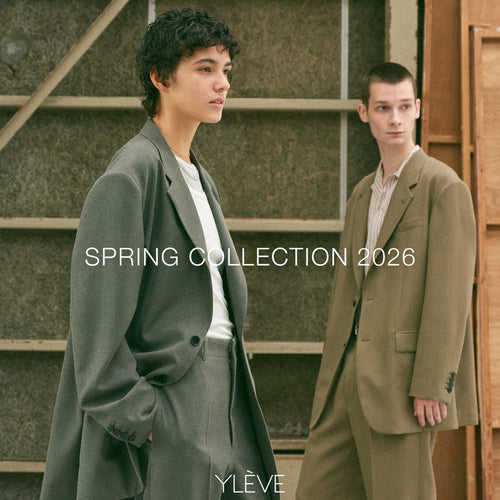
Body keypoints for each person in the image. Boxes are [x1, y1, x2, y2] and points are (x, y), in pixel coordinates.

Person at [40, 9, 278, 500]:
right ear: (160, 77)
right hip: (174, 402)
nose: (222, 83)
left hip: (230, 395)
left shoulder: (198, 178)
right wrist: (146, 419)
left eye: (226, 70)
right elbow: (96, 327)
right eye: (205, 68)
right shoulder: (130, 176)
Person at [296, 62, 477, 500]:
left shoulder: (443, 187)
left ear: (417, 108)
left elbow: (450, 296)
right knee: (316, 491)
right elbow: (349, 289)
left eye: (403, 107)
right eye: (383, 108)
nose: (395, 119)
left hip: (403, 382)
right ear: (364, 113)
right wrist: (332, 376)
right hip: (348, 376)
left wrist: (432, 383)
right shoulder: (363, 193)